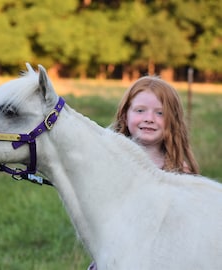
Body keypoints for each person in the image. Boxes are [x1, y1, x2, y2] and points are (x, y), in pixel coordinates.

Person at [87, 75, 199, 270]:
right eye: (140, 110)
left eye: (160, 113)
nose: (149, 118)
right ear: (125, 115)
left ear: (172, 120)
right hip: (118, 256)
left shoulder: (179, 170)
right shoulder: (112, 162)